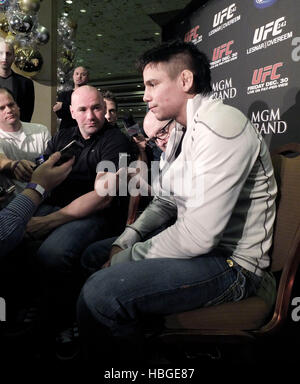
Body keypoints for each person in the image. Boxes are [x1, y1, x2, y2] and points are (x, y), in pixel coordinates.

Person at [77, 40, 278, 364]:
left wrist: (124, 259)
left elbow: (200, 236)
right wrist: (127, 240)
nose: (145, 96)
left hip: (234, 267)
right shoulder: (192, 130)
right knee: (92, 255)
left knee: (100, 292)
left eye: (153, 84)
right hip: (205, 254)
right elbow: (167, 202)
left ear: (184, 81)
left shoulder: (221, 126)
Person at [26, 85, 133, 356]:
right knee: (12, 235)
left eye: (96, 108)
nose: (91, 116)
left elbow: (102, 197)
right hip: (56, 206)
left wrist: (48, 222)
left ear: (104, 109)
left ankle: (66, 319)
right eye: (83, 110)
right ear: (72, 112)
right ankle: (32, 306)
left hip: (98, 216)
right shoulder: (62, 137)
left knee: (53, 253)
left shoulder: (115, 141)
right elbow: (41, 177)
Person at [0, 87, 50, 203]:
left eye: (11, 104)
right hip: (11, 206)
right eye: (1, 108)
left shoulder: (41, 130)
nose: (8, 110)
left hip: (44, 201)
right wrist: (12, 165)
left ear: (18, 106)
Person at [0, 38, 34, 122]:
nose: (4, 57)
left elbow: (27, 115)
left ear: (13, 57)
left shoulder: (26, 83)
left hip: (16, 131)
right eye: (1, 53)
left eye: (8, 54)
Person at [53, 66, 89, 130]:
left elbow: (86, 111)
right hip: (66, 129)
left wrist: (63, 106)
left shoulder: (90, 94)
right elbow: (59, 113)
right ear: (73, 76)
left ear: (87, 78)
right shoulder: (64, 94)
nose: (79, 76)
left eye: (83, 74)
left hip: (85, 128)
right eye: (77, 74)